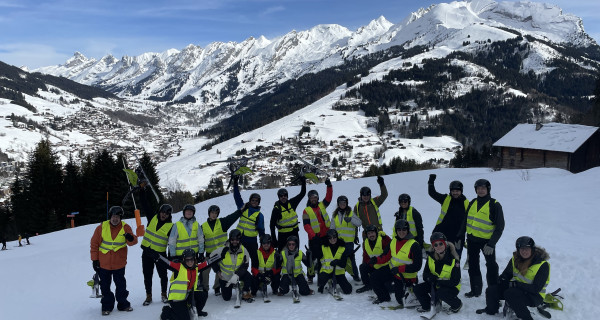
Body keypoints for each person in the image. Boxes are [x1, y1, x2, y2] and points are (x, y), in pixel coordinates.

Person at [476, 236, 550, 320]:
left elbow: (536, 288)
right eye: (521, 249)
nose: (524, 251)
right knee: (491, 289)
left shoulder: (542, 265)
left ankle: (526, 317)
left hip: (534, 296)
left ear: (532, 249)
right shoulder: (516, 259)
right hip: (517, 288)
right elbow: (507, 274)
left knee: (510, 294)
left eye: (527, 249)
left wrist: (516, 284)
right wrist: (501, 279)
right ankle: (491, 310)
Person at [457, 178, 505, 298]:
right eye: (478, 188)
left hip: (486, 243)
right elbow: (465, 221)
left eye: (483, 188)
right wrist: (460, 236)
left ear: (488, 189)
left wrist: (491, 244)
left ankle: (494, 293)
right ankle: (475, 290)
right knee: (473, 265)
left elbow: (500, 227)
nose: (481, 190)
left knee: (491, 266)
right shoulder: (472, 202)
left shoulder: (494, 205)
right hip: (472, 240)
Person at [90, 206, 138, 315]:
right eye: (113, 216)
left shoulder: (125, 227)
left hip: (119, 263)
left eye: (117, 217)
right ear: (110, 216)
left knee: (121, 286)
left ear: (120, 218)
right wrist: (94, 260)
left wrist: (130, 238)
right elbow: (94, 244)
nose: (115, 219)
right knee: (105, 286)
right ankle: (107, 306)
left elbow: (133, 241)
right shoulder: (101, 227)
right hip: (104, 264)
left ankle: (123, 304)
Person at [376, 219, 423, 306]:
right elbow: (386, 256)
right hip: (394, 273)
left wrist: (399, 269)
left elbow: (417, 266)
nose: (401, 232)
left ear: (408, 230)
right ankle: (385, 297)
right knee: (375, 277)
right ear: (396, 230)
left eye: (404, 230)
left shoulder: (414, 245)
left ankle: (412, 292)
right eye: (399, 230)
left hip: (406, 278)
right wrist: (376, 260)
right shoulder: (393, 241)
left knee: (400, 301)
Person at [155, 249, 212, 319]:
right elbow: (167, 262)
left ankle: (197, 310)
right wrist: (156, 256)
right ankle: (167, 311)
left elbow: (208, 263)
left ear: (194, 259)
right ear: (184, 260)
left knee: (202, 295)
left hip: (187, 296)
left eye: (192, 260)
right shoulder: (178, 267)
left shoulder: (196, 267)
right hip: (176, 299)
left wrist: (220, 256)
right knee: (185, 318)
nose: (190, 262)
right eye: (187, 260)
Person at [201, 203, 244, 296]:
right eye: (212, 212)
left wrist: (240, 211)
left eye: (216, 213)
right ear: (209, 213)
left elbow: (232, 217)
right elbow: (201, 242)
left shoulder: (222, 222)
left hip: (221, 253)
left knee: (220, 270)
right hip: (209, 254)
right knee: (204, 271)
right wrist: (200, 253)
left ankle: (217, 287)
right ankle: (204, 288)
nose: (214, 214)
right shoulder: (203, 226)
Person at [415, 232, 462, 315]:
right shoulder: (431, 257)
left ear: (445, 244)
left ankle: (457, 304)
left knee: (441, 293)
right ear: (433, 247)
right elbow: (425, 275)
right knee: (417, 289)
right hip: (435, 284)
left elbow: (455, 281)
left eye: (440, 243)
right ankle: (427, 306)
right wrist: (431, 278)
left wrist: (438, 281)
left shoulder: (454, 260)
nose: (438, 247)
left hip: (451, 286)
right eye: (435, 245)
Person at [427, 174, 469, 256]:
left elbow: (470, 221)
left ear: (461, 191)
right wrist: (431, 181)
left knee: (455, 258)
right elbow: (432, 193)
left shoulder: (467, 203)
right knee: (438, 256)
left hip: (457, 236)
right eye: (453, 191)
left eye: (457, 191)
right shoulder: (445, 199)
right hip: (442, 232)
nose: (455, 193)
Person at [140, 203, 174, 306]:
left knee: (163, 276)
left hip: (160, 255)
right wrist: (142, 190)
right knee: (147, 275)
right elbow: (146, 206)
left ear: (169, 216)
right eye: (162, 212)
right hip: (147, 252)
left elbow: (171, 243)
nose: (164, 215)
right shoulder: (152, 218)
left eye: (166, 214)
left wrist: (170, 257)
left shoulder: (171, 226)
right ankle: (148, 296)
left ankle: (164, 295)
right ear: (159, 212)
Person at [302, 178, 333, 283]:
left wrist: (329, 186)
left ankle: (323, 275)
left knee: (324, 257)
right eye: (311, 197)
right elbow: (306, 225)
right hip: (314, 238)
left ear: (317, 197)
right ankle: (310, 276)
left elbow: (329, 198)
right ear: (309, 199)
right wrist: (313, 235)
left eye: (315, 197)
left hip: (325, 236)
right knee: (312, 258)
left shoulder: (322, 205)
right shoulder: (306, 210)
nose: (313, 199)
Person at [210, 229, 254, 302]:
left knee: (248, 277)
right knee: (226, 298)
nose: (234, 242)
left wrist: (237, 275)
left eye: (237, 240)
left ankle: (245, 290)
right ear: (230, 239)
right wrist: (217, 271)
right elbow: (211, 259)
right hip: (226, 277)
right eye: (232, 239)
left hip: (238, 275)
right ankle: (231, 286)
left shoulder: (244, 250)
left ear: (240, 240)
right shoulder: (222, 250)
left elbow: (245, 266)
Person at [233, 176, 265, 271]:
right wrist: (235, 182)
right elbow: (237, 197)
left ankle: (255, 277)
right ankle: (241, 279)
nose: (254, 202)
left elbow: (261, 230)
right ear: (250, 201)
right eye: (253, 200)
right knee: (240, 260)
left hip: (252, 241)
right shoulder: (244, 208)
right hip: (240, 239)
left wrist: (263, 242)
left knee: (255, 260)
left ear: (258, 202)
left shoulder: (259, 215)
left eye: (256, 201)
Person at [270, 177, 307, 251]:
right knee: (282, 256)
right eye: (281, 196)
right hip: (283, 235)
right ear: (279, 197)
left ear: (287, 196)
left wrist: (303, 182)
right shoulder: (277, 209)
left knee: (295, 253)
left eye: (285, 195)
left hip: (294, 233)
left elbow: (302, 194)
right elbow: (272, 225)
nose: (283, 197)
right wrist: (274, 240)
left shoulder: (292, 203)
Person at [330, 195, 362, 282]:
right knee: (339, 259)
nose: (342, 204)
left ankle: (355, 275)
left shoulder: (351, 213)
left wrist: (351, 219)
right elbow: (332, 227)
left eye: (344, 203)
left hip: (348, 242)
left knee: (351, 260)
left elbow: (359, 223)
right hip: (338, 242)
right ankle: (339, 276)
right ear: (338, 204)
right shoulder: (335, 214)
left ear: (346, 203)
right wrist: (331, 236)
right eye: (340, 203)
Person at [355, 224, 392, 297]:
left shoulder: (383, 240)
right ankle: (368, 285)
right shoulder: (365, 243)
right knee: (363, 266)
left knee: (387, 287)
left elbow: (392, 245)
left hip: (385, 267)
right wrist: (368, 265)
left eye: (372, 233)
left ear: (376, 233)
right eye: (369, 233)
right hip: (374, 266)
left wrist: (386, 237)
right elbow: (365, 257)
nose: (371, 235)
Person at [316, 229, 352, 295]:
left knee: (348, 290)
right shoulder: (323, 247)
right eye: (330, 238)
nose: (332, 239)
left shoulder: (342, 247)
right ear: (327, 238)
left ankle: (336, 281)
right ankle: (327, 281)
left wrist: (337, 262)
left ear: (337, 237)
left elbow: (343, 264)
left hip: (338, 273)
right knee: (321, 281)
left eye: (334, 237)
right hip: (326, 272)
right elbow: (318, 258)